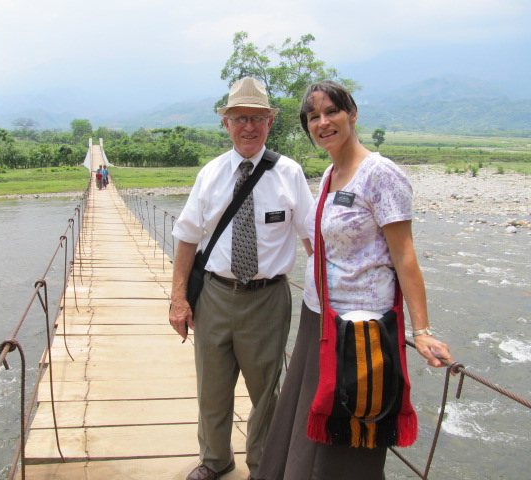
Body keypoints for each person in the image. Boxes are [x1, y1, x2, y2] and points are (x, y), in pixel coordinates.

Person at [256, 80, 455, 480]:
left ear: (353, 114)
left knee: (349, 427)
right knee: (310, 417)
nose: (323, 122)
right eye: (314, 117)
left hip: (362, 331)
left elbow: (404, 255)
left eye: (332, 112)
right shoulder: (330, 174)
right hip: (321, 317)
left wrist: (423, 329)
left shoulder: (381, 175)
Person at [169, 77, 314, 480]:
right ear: (226, 124)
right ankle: (215, 461)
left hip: (268, 299)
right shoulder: (211, 174)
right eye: (239, 119)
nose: (248, 127)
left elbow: (312, 239)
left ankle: (262, 468)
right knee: (212, 389)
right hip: (213, 295)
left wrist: (332, 296)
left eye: (256, 118)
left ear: (270, 122)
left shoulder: (290, 174)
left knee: (266, 393)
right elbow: (186, 238)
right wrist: (179, 300)